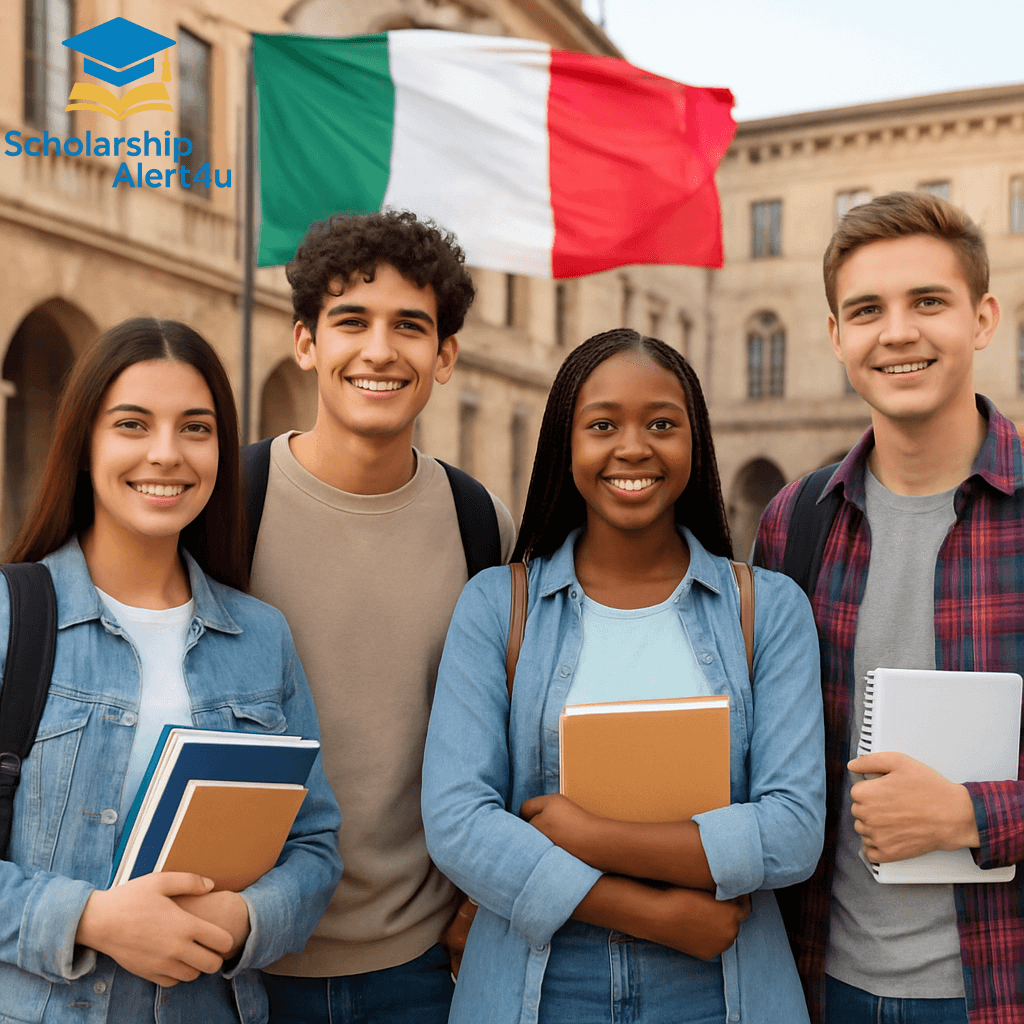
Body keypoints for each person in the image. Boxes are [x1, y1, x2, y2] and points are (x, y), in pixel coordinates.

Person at [421, 328, 825, 1024]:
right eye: (602, 424)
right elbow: (458, 822)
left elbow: (792, 831)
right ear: (565, 445)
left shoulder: (769, 609)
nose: (633, 447)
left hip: (720, 986)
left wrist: (590, 837)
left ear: (694, 443)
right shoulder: (497, 604)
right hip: (537, 982)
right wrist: (649, 912)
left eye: (662, 424)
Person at [0, 317, 342, 1024]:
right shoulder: (11, 617)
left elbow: (314, 847)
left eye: (195, 428)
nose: (166, 454)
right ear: (85, 442)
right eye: (132, 425)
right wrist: (90, 918)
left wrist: (245, 918)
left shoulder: (260, 637)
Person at [753, 190, 1019, 1024]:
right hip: (817, 982)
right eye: (867, 310)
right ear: (837, 338)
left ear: (982, 318)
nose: (897, 332)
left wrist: (976, 814)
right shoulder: (794, 523)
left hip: (997, 991)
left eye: (928, 302)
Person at [250, 210, 516, 1023]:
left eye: (409, 326)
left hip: (422, 967)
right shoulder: (229, 505)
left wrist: (481, 908)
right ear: (306, 343)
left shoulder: (483, 525)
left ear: (444, 357)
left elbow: (515, 735)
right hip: (239, 957)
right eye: (350, 321)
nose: (378, 350)